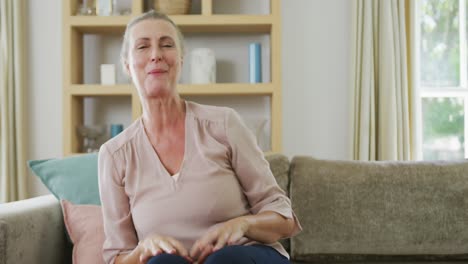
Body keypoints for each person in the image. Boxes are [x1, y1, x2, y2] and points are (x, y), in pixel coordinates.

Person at [98, 10, 302, 264]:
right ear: (128, 66)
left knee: (223, 261)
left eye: (167, 44)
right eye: (142, 46)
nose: (156, 54)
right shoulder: (115, 155)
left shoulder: (223, 125)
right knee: (161, 263)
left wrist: (242, 225)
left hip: (242, 256)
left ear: (180, 60)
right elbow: (116, 258)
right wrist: (142, 249)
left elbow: (284, 219)